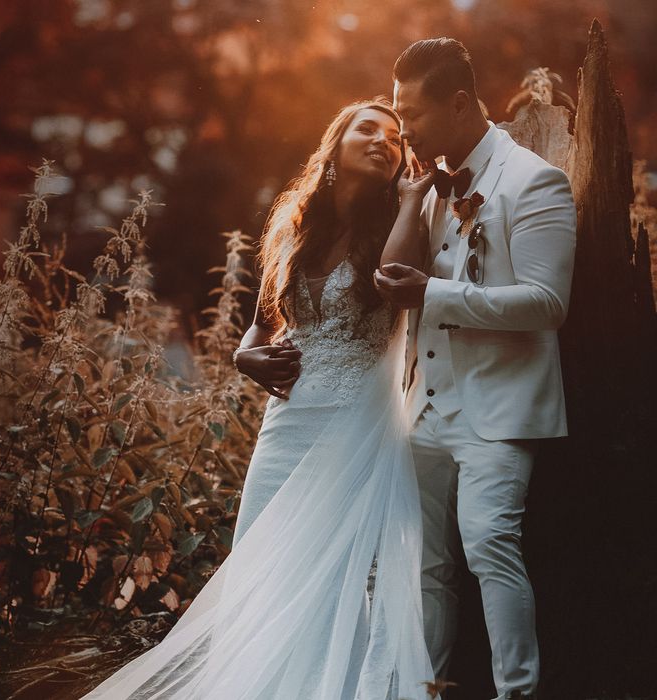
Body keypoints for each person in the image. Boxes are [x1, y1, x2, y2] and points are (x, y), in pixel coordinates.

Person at [82, 98, 437, 700]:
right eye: (368, 128)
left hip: (354, 423)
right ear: (336, 143)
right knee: (260, 566)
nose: (385, 140)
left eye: (397, 137)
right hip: (287, 422)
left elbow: (400, 286)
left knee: (330, 575)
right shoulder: (297, 227)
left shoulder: (402, 223)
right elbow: (263, 323)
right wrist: (244, 356)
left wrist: (408, 200)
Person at [372, 38, 577, 700]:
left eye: (413, 113)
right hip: (424, 406)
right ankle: (425, 691)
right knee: (426, 565)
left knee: (490, 544)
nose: (404, 129)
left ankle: (517, 693)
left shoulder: (533, 180)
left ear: (460, 103)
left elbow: (548, 304)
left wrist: (432, 295)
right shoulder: (427, 184)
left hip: (498, 410)